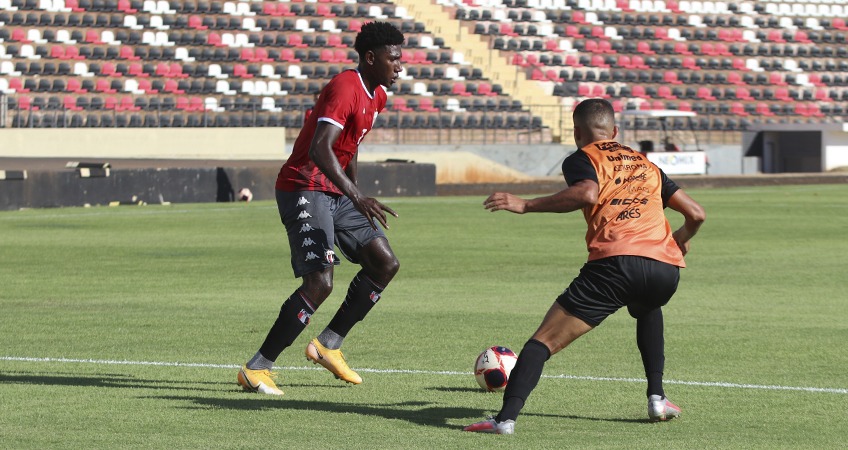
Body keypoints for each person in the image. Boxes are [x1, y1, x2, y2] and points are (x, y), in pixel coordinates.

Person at [464, 98, 706, 434]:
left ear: (577, 132)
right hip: (665, 270)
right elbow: (696, 214)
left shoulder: (584, 157)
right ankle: (657, 397)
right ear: (615, 131)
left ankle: (504, 420)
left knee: (542, 342)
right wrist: (679, 238)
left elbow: (587, 193)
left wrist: (526, 205)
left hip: (616, 264)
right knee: (648, 306)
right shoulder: (646, 164)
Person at [237, 22, 405, 396]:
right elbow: (320, 149)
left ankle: (328, 344)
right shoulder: (345, 87)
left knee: (384, 262)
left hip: (335, 191)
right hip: (303, 186)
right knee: (320, 282)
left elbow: (351, 145)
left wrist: (353, 194)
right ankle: (256, 368)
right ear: (371, 58)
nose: (400, 67)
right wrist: (357, 196)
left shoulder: (377, 96)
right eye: (394, 59)